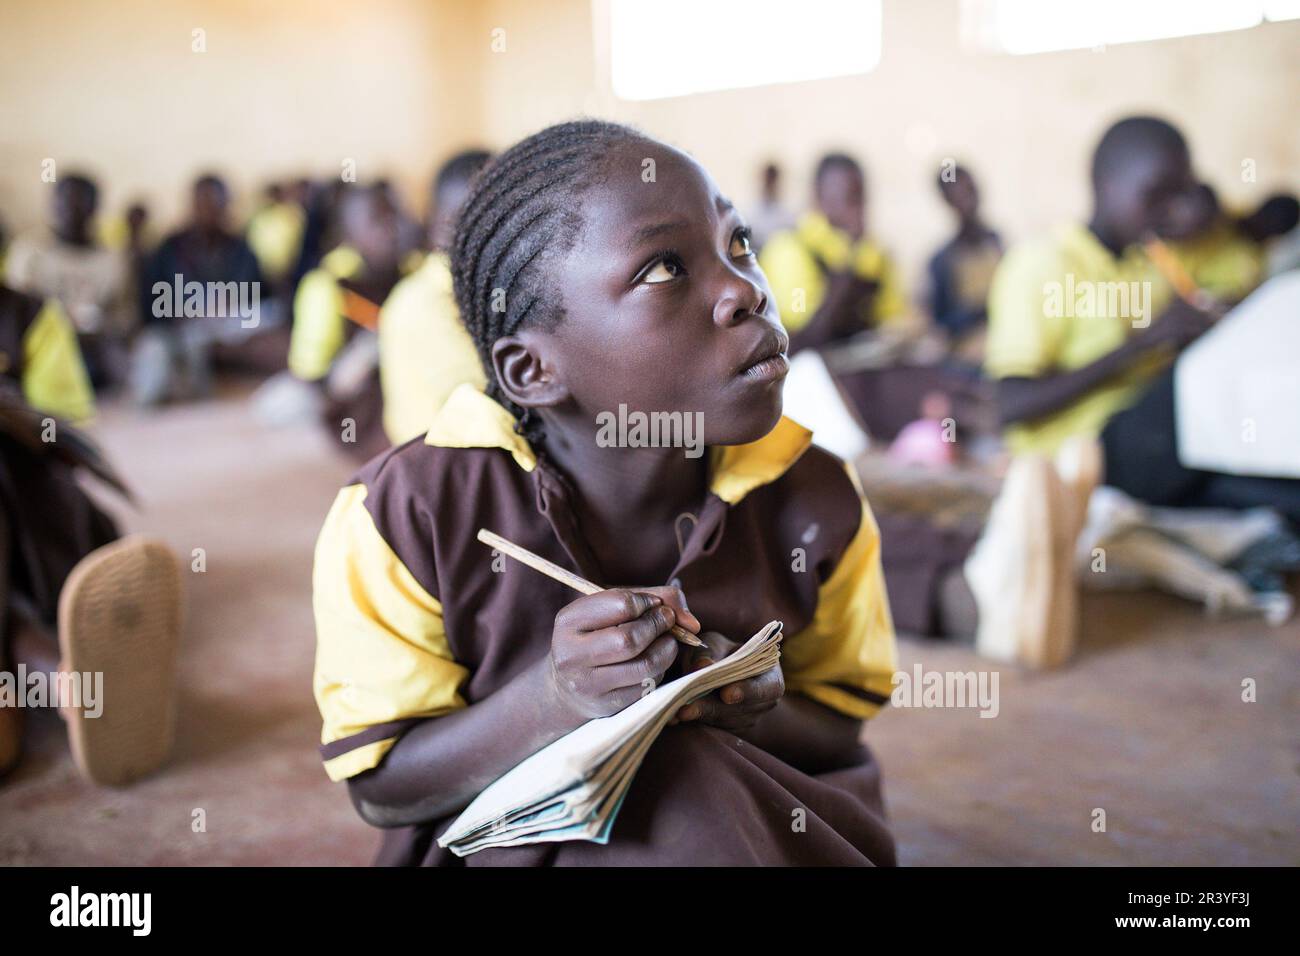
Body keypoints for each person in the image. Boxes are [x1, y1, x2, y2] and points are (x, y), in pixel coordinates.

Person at [312, 120, 899, 866]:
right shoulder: (407, 517)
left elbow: (840, 724)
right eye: (662, 270)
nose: (745, 291)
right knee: (679, 787)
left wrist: (745, 707)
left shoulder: (814, 494)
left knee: (697, 777)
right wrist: (555, 700)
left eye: (739, 244)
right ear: (533, 371)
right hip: (525, 844)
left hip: (768, 821)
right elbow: (385, 788)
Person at [988, 115, 1300, 525]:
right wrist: (1142, 344)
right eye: (1157, 194)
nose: (1173, 209)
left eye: (1181, 193)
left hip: (1152, 454)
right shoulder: (1041, 262)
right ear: (1108, 185)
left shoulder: (1151, 261)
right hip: (1083, 454)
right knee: (1193, 392)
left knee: (1282, 497)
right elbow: (1009, 404)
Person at [0, 286, 181, 784]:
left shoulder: (27, 313)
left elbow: (57, 427)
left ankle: (46, 687)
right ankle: (64, 683)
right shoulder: (27, 312)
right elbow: (67, 422)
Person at [377, 149, 491, 445]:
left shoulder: (483, 286)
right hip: (448, 462)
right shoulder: (422, 303)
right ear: (441, 227)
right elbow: (481, 413)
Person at [288, 183, 404, 460]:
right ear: (348, 233)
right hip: (353, 398)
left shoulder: (409, 270)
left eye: (393, 217)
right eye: (377, 221)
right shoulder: (327, 284)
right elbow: (312, 373)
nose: (390, 230)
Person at [131, 175, 263, 405]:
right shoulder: (169, 248)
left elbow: (254, 291)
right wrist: (181, 315)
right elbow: (150, 301)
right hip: (177, 327)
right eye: (203, 203)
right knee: (161, 347)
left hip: (229, 328)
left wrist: (224, 308)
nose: (208, 211)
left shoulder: (239, 247)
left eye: (215, 204)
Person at [759, 153, 905, 353]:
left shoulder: (874, 252)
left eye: (860, 198)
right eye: (846, 197)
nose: (857, 208)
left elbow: (890, 320)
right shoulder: (788, 249)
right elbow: (802, 333)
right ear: (818, 196)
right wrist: (851, 261)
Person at [4, 174, 130, 390]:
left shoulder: (112, 261)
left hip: (94, 346)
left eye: (79, 203)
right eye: (64, 202)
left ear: (94, 208)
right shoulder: (29, 252)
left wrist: (101, 328)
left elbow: (124, 316)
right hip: (39, 346)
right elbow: (11, 311)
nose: (70, 211)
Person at [927, 164, 1002, 346]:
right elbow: (942, 324)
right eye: (958, 194)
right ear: (947, 201)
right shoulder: (942, 260)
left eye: (969, 190)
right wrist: (980, 310)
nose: (967, 200)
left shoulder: (996, 243)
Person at [746, 161, 796, 252]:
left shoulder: (787, 217)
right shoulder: (749, 215)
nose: (770, 186)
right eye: (767, 181)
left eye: (772, 181)